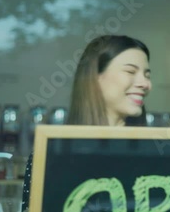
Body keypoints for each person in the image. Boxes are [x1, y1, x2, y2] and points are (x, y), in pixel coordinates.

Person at [21, 35, 152, 211]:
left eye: (147, 74)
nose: (145, 83)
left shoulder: (154, 152)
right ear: (95, 77)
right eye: (130, 71)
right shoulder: (52, 154)